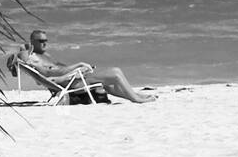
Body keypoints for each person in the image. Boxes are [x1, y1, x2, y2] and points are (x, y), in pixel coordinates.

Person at [15, 30, 157, 103]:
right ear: (33, 41)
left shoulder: (44, 56)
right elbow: (46, 78)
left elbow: (57, 69)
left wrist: (78, 70)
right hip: (72, 83)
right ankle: (136, 99)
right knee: (115, 73)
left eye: (46, 40)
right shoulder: (34, 59)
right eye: (41, 41)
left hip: (76, 77)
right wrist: (78, 66)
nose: (45, 43)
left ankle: (135, 95)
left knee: (108, 84)